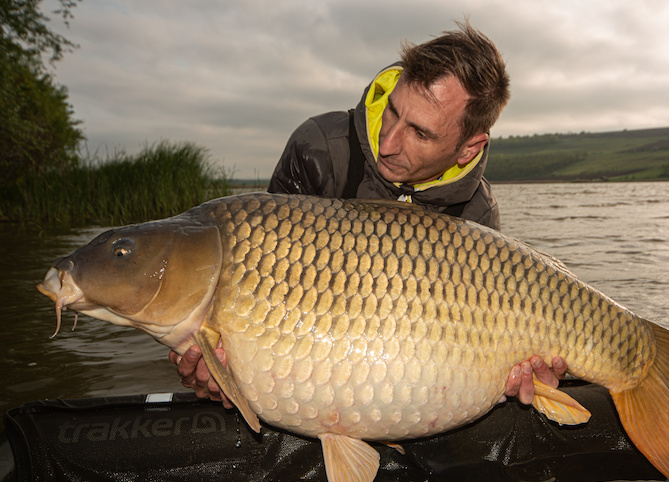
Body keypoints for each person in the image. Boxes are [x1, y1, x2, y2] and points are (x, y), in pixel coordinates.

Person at [170, 22, 566, 410]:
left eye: (420, 133)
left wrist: (518, 375)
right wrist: (225, 369)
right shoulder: (319, 150)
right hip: (310, 359)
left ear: (467, 148)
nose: (388, 142)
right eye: (392, 111)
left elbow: (479, 343)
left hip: (410, 378)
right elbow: (263, 289)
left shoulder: (476, 212)